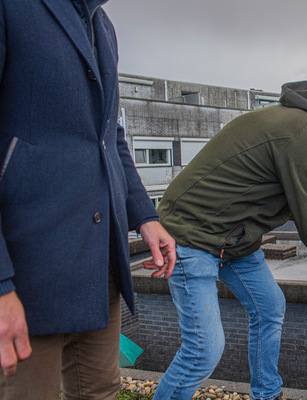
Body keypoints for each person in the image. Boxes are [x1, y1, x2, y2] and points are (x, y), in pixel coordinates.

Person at [151, 70, 307, 400]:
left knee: (269, 307)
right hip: (193, 237)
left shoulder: (300, 122)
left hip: (233, 240)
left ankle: (266, 394)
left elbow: (306, 200)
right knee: (203, 351)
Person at [0, 1, 176, 399]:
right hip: (25, 275)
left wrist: (145, 215)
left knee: (101, 391)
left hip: (99, 268)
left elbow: (108, 134)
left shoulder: (103, 25)